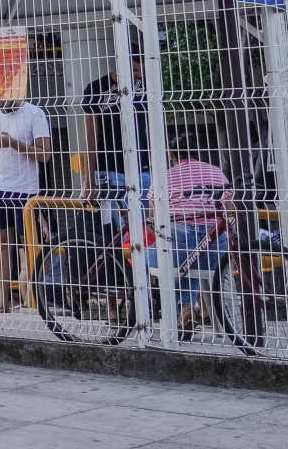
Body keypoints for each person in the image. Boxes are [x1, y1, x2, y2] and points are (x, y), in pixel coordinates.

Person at [0, 94, 53, 312]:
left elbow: (45, 154)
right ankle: (3, 300)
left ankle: (31, 300)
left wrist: (13, 143)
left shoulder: (34, 113)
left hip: (25, 190)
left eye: (1, 100)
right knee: (2, 243)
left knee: (27, 245)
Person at [155, 125, 230, 335]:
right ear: (198, 153)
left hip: (178, 249)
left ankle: (183, 309)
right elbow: (230, 208)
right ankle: (192, 309)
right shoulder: (216, 172)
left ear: (171, 155)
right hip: (216, 253)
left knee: (153, 252)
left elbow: (155, 216)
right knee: (195, 253)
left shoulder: (165, 176)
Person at [80, 48, 150, 232]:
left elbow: (155, 129)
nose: (137, 76)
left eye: (140, 70)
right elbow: (90, 137)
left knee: (147, 232)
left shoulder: (147, 86)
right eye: (134, 70)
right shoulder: (96, 88)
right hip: (109, 171)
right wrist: (90, 181)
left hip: (143, 170)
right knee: (121, 234)